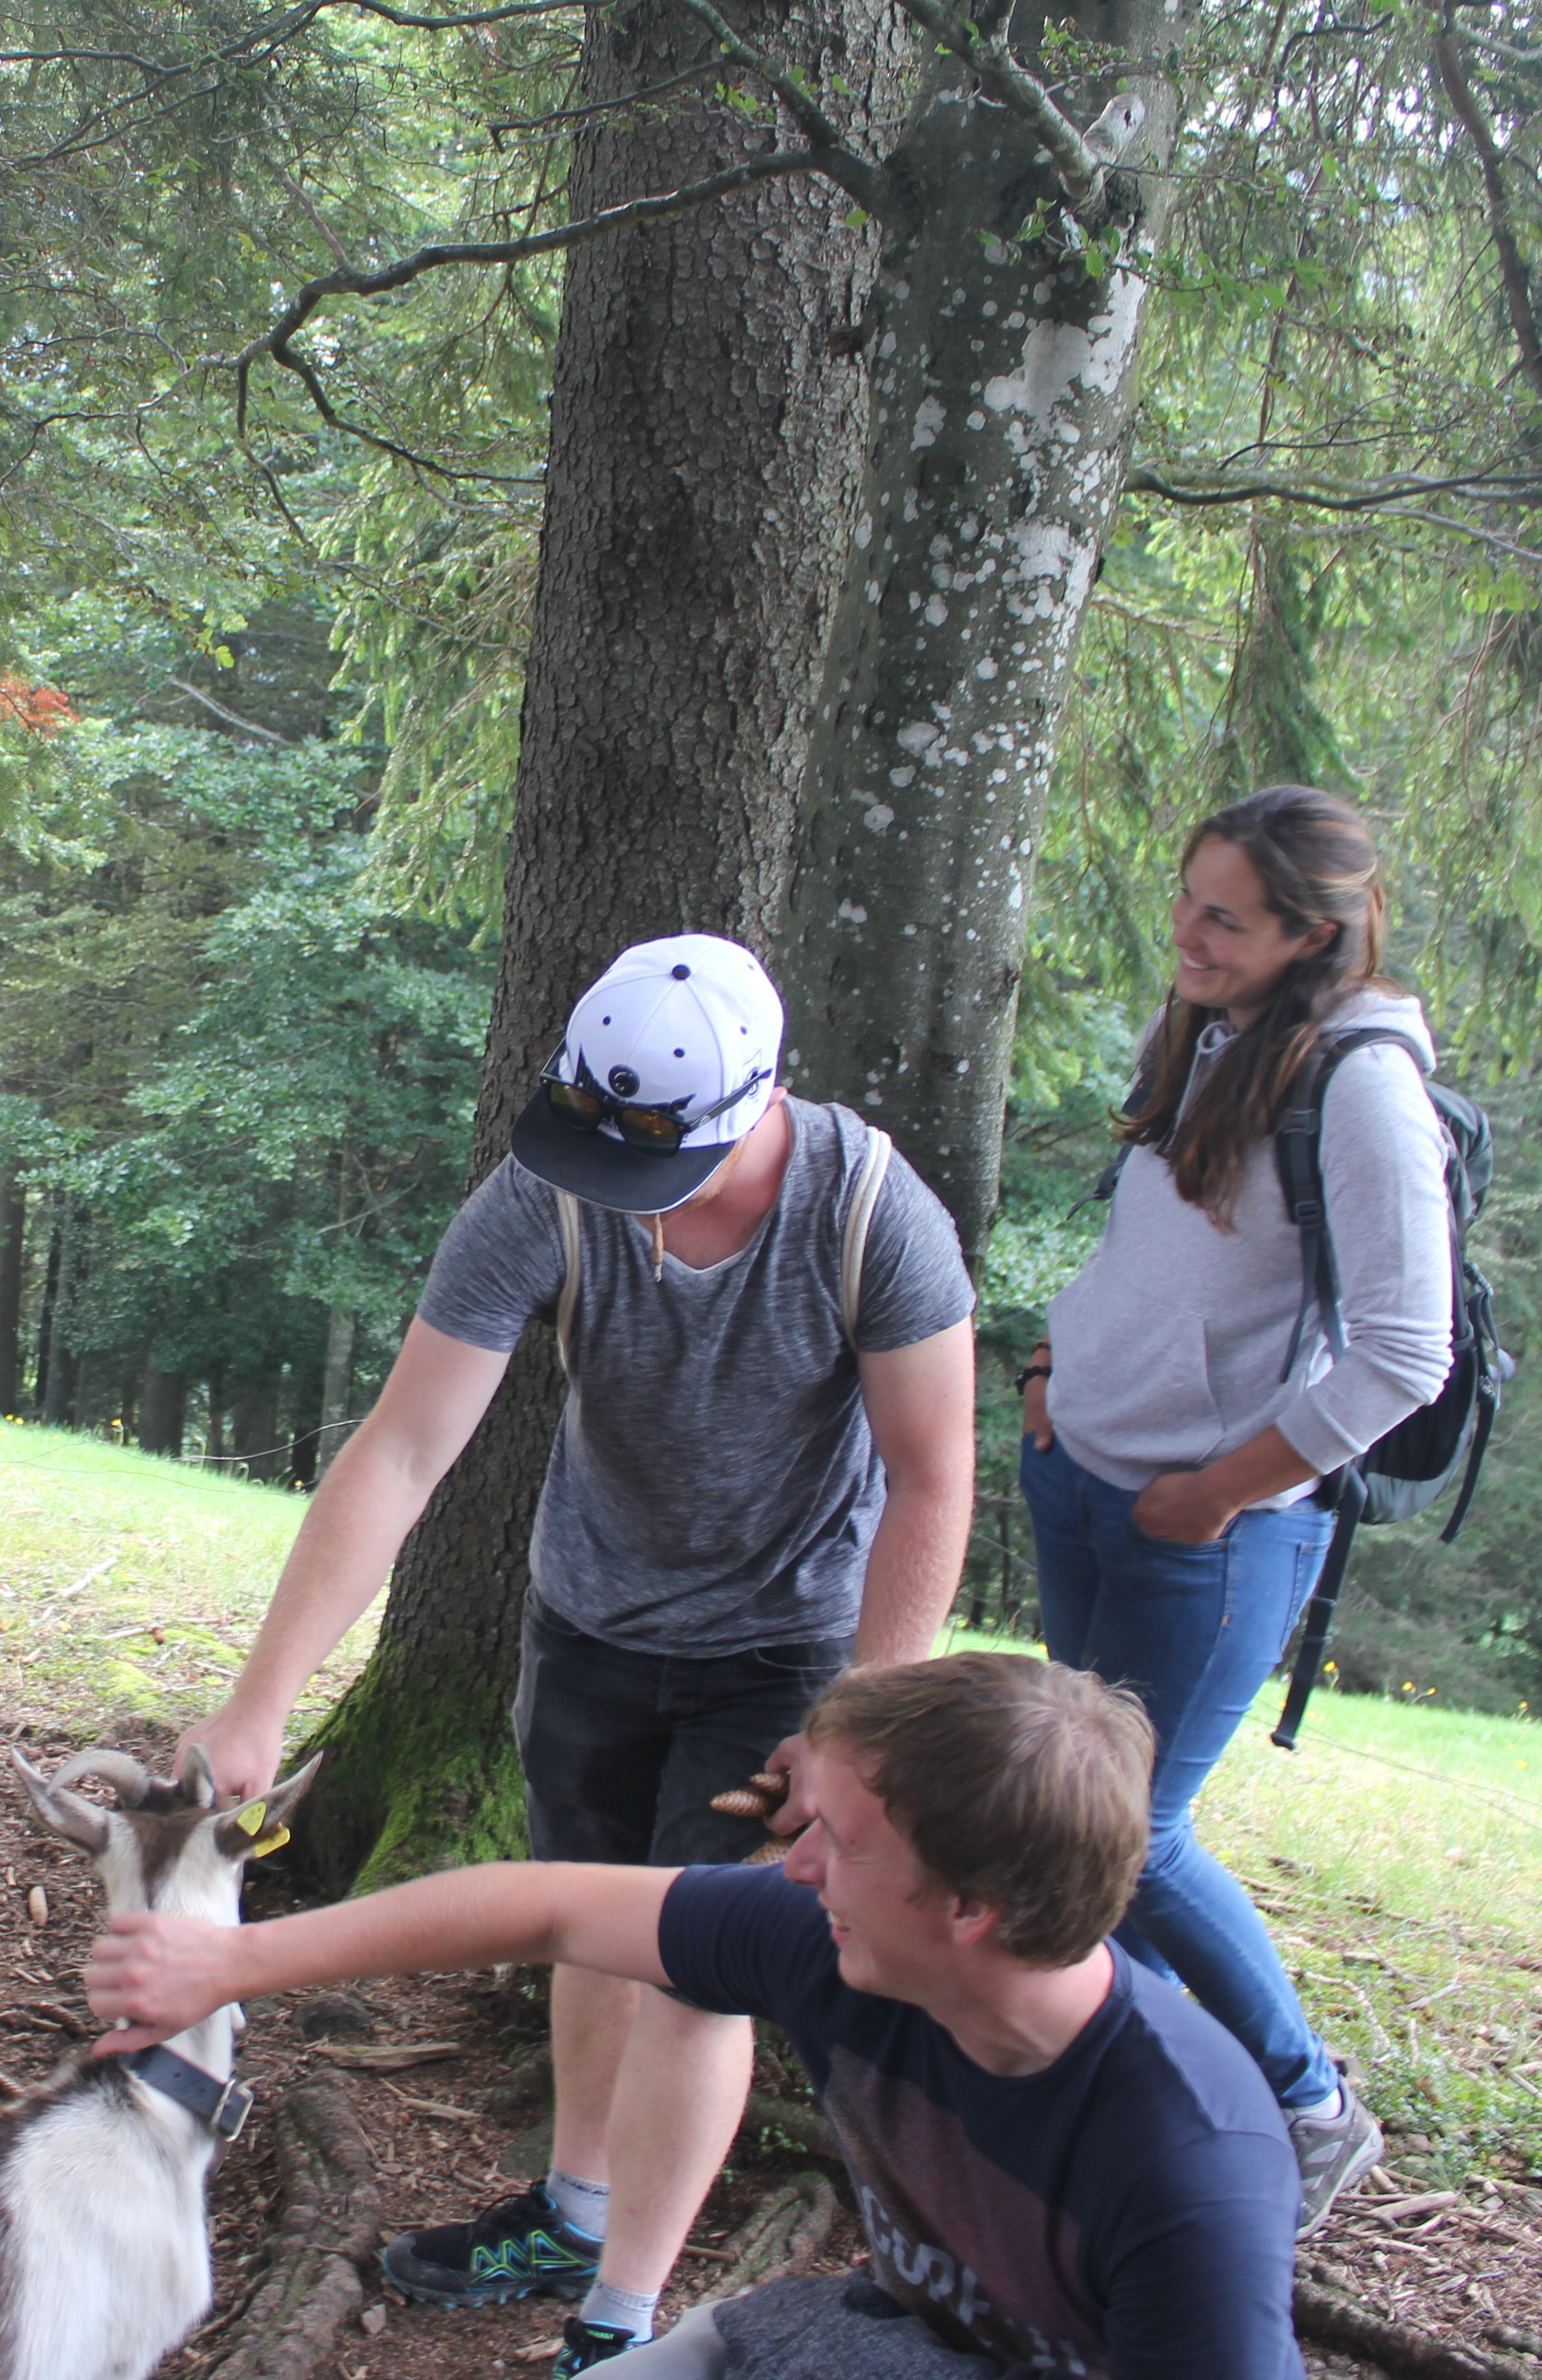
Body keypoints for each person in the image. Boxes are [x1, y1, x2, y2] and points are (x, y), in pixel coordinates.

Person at [178, 935, 979, 2368]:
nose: (626, 1203)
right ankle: (572, 2204)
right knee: (586, 1922)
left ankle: (621, 2324)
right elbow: (405, 1449)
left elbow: (934, 1475)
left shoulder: (872, 1212)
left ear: (758, 1103)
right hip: (591, 1617)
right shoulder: (546, 1192)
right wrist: (262, 1700)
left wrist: (859, 1724)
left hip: (784, 1651)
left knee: (696, 1965)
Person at [92, 1653, 1302, 2380]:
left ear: (971, 1910)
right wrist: (232, 1961)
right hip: (877, 2337)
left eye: (840, 1839)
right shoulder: (834, 1939)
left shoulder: (1188, 2169)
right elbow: (549, 1906)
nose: (795, 1864)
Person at [1019, 784, 1450, 2235]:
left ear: (1312, 935)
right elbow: (1162, 1247)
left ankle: (1311, 2105)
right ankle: (1139, 2110)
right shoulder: (1212, 1031)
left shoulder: (1364, 1084)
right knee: (1089, 1832)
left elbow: (1406, 1351)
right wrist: (1049, 1371)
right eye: (1186, 897)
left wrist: (1215, 1494)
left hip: (1204, 1531)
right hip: (1084, 1477)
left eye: (1226, 918)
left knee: (1131, 1836)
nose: (1187, 935)